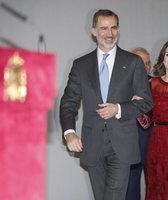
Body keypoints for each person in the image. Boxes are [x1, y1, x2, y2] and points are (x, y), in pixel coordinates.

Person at [59, 9, 153, 200]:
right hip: (92, 145)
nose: (109, 34)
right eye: (104, 28)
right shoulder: (80, 65)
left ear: (118, 29)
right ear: (94, 31)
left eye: (113, 28)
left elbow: (146, 102)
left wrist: (118, 109)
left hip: (122, 145)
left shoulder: (134, 62)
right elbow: (68, 102)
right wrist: (69, 133)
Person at [126, 47, 153, 200]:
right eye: (142, 62)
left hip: (155, 140)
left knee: (157, 182)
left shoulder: (156, 84)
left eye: (148, 62)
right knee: (131, 185)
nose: (146, 66)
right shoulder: (122, 87)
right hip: (130, 140)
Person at [146, 41, 168, 200]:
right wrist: (134, 104)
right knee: (158, 181)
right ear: (163, 58)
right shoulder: (152, 84)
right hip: (159, 141)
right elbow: (145, 119)